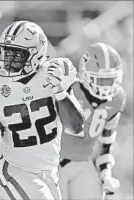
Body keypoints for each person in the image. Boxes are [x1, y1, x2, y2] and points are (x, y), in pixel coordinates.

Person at [0, 21, 84, 200]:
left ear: (36, 55)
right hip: (16, 169)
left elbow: (76, 127)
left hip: (48, 171)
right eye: (6, 52)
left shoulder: (55, 73)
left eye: (16, 55)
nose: (8, 60)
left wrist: (60, 91)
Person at [59, 43, 126, 200]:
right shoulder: (70, 90)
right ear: (86, 76)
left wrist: (106, 174)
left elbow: (106, 143)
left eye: (111, 80)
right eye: (102, 81)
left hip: (84, 161)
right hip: (54, 161)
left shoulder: (117, 99)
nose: (108, 87)